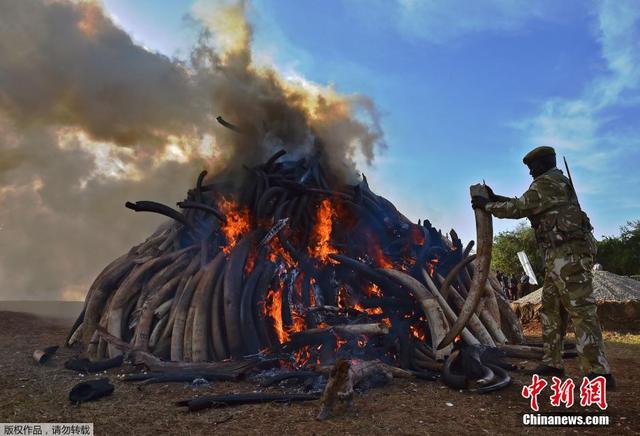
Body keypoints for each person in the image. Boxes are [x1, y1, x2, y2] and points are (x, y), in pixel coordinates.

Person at [471, 145, 614, 388]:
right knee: (551, 309)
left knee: (581, 311)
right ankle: (553, 362)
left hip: (568, 256)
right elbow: (531, 207)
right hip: (558, 258)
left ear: (545, 162)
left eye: (532, 167)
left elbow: (520, 208)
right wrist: (496, 199)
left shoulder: (547, 183)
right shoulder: (555, 183)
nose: (530, 172)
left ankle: (598, 372)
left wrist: (487, 206)